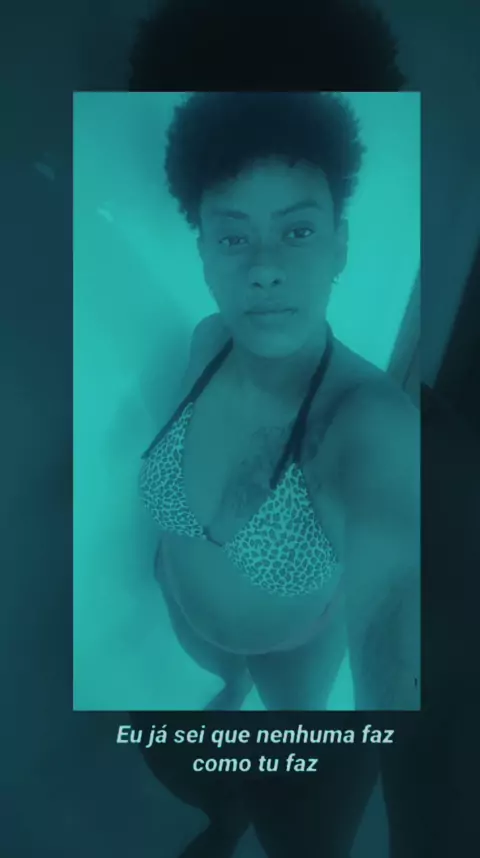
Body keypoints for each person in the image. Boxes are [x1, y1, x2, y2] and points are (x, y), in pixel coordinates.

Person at [128, 2, 418, 856]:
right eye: (233, 236)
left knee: (299, 821)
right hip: (187, 619)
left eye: (296, 229)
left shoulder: (367, 423)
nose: (262, 270)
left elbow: (396, 632)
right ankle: (222, 805)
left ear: (339, 244)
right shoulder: (205, 341)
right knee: (191, 756)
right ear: (204, 251)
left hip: (293, 649)